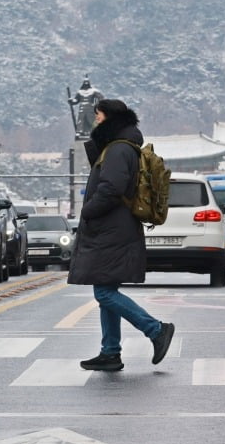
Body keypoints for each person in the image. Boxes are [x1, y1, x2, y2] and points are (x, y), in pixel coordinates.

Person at [68, 99, 174, 372]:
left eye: (99, 116)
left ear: (111, 119)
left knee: (103, 292)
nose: (96, 122)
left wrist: (88, 211)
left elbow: (111, 189)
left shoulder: (117, 151)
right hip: (115, 229)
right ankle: (110, 351)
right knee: (107, 288)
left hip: (111, 230)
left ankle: (156, 330)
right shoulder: (120, 148)